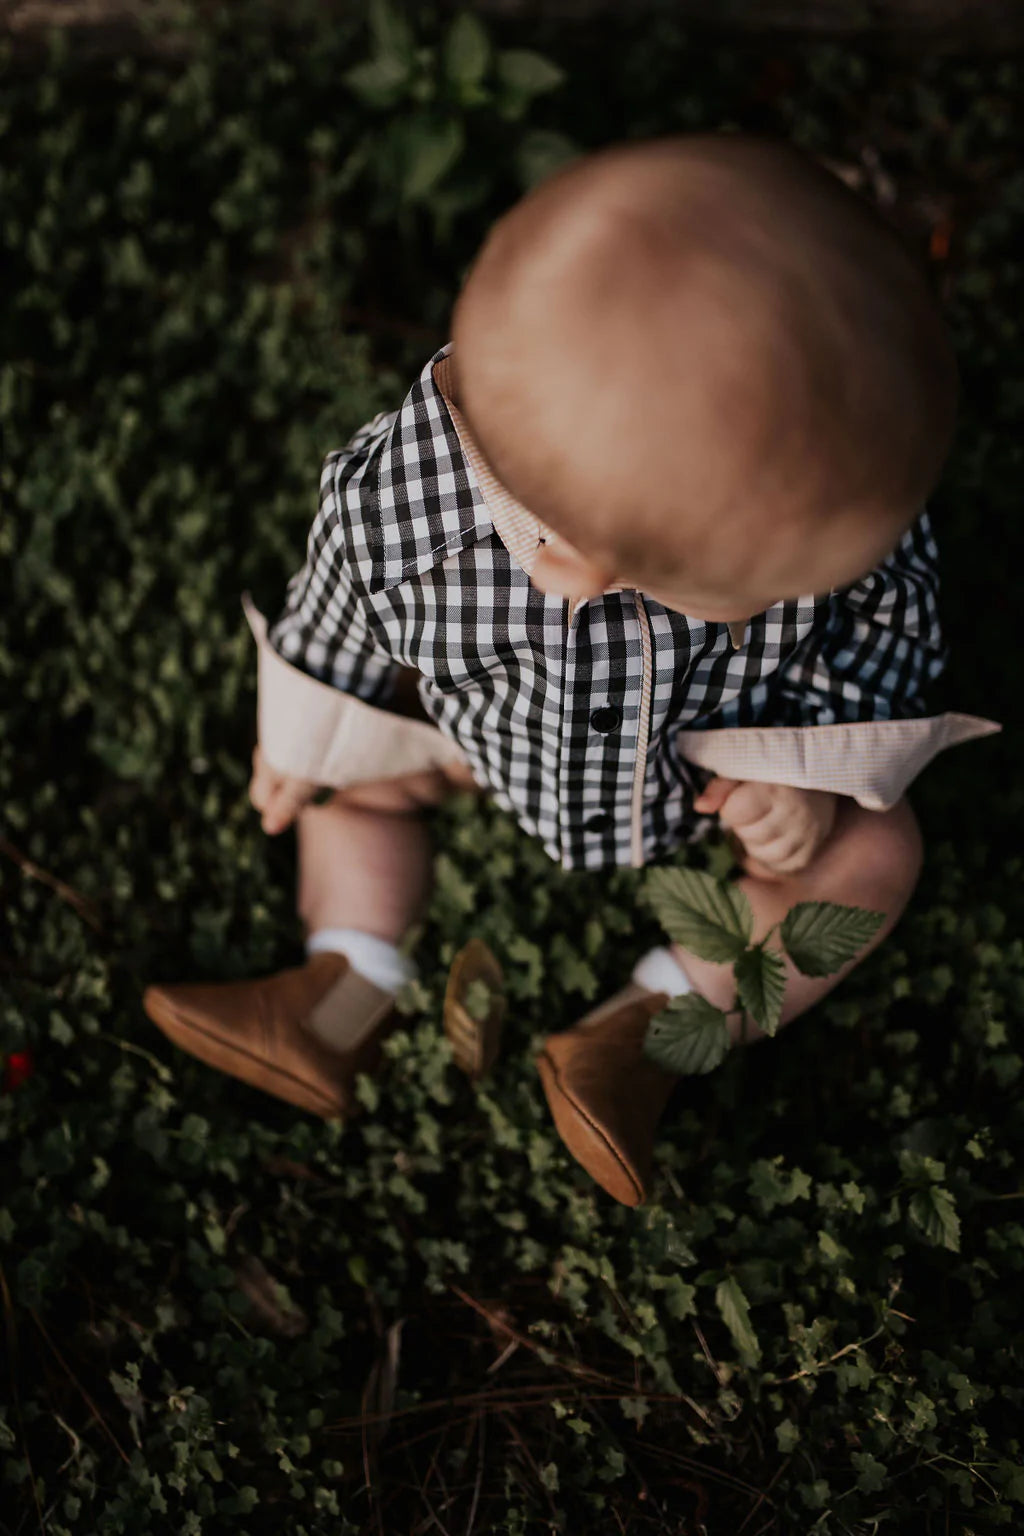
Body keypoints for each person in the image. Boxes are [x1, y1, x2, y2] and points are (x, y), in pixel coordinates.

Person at [142, 135, 998, 1206]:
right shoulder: (402, 525)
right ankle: (342, 989)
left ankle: (649, 1030)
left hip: (706, 783)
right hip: (475, 750)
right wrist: (304, 738)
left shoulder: (823, 498)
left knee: (874, 854)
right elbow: (335, 624)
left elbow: (888, 626)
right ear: (578, 571)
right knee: (352, 788)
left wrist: (805, 771)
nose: (854, 567)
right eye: (782, 584)